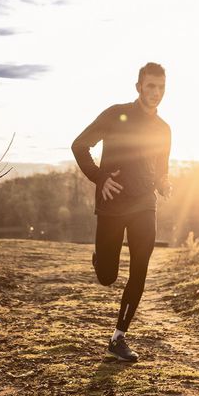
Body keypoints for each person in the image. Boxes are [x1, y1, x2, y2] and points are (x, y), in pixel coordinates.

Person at [71, 62, 171, 361]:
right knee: (107, 276)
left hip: (144, 204)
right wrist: (99, 177)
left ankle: (118, 338)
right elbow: (79, 145)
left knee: (139, 270)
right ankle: (100, 259)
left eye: (161, 87)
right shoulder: (116, 114)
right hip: (112, 206)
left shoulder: (164, 129)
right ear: (138, 86)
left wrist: (164, 184)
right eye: (150, 85)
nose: (155, 92)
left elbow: (161, 169)